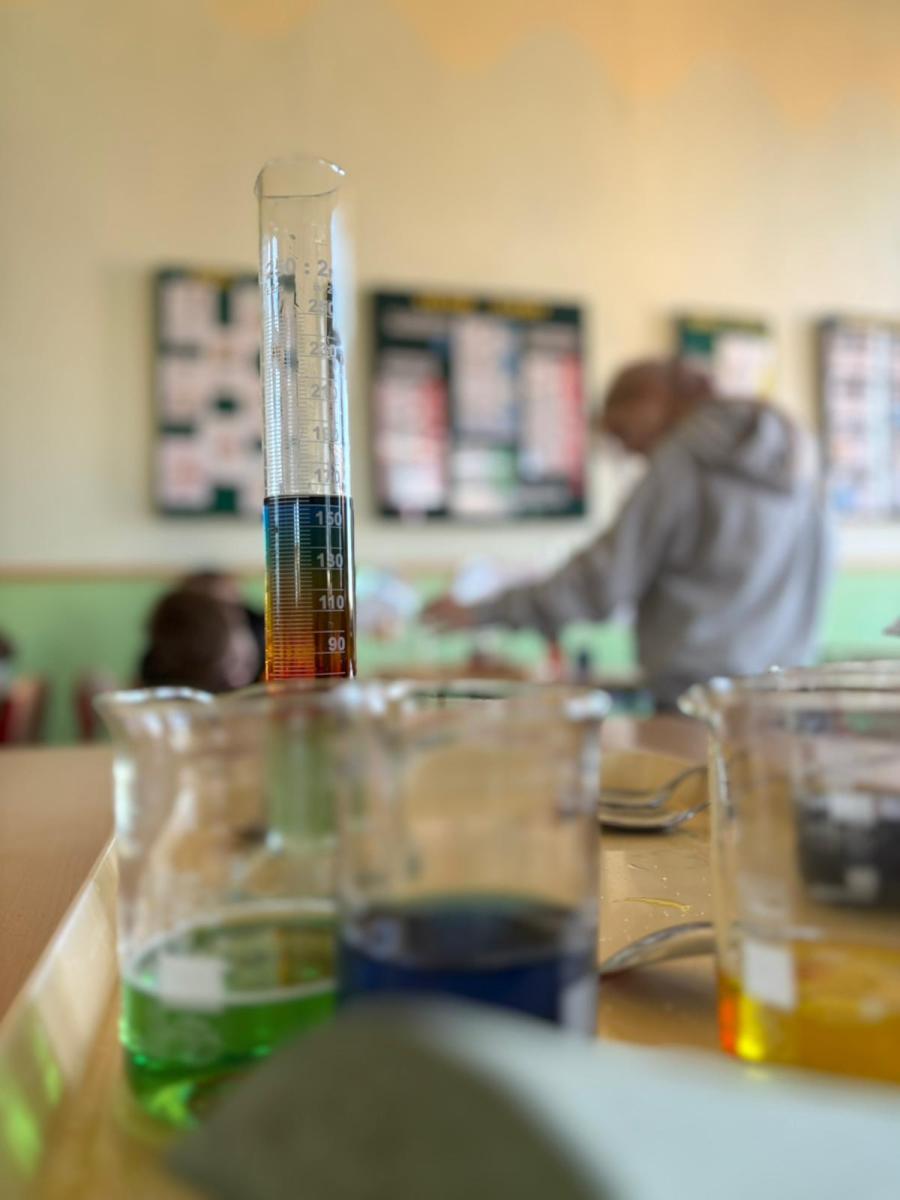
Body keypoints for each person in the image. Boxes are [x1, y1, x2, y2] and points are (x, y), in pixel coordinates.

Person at [425, 358, 831, 705]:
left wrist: (483, 612)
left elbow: (600, 583)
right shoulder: (799, 453)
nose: (630, 453)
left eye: (622, 433)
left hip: (698, 702)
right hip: (786, 698)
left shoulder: (681, 459)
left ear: (649, 406)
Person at [138, 589, 261, 693]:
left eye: (246, 663)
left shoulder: (266, 635)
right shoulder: (159, 670)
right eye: (218, 677)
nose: (239, 680)